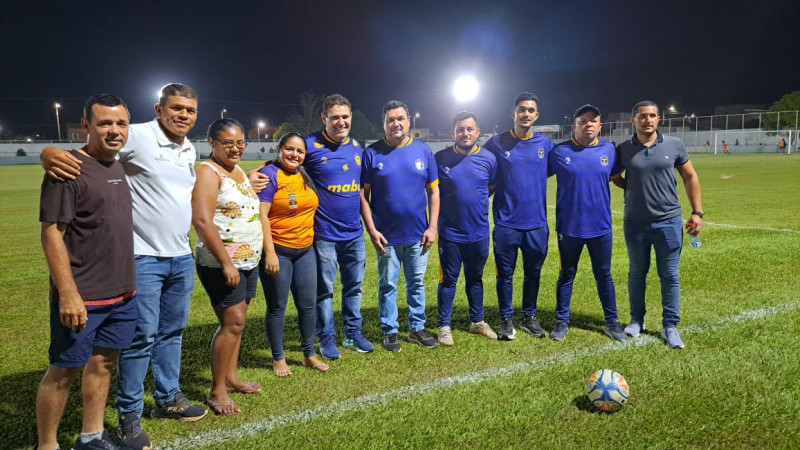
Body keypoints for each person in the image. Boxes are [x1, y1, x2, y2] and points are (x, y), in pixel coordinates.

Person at [40, 83, 207, 450]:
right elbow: (81, 158)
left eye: (190, 110)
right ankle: (128, 416)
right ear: (159, 109)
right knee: (136, 341)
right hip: (141, 258)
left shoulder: (187, 148)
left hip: (176, 257)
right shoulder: (138, 136)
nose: (183, 115)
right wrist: (48, 152)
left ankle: (165, 398)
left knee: (169, 333)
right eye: (176, 108)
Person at [36, 94, 136, 450]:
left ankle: (91, 436)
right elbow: (52, 234)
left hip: (122, 293)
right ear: (86, 126)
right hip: (83, 296)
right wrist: (68, 293)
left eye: (121, 123)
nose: (114, 130)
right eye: (105, 123)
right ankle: (47, 444)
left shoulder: (117, 164)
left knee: (104, 364)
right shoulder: (67, 170)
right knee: (63, 371)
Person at [612, 101, 703, 349]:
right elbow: (614, 176)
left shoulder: (674, 144)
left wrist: (697, 212)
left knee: (669, 275)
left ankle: (670, 326)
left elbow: (690, 176)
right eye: (642, 116)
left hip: (668, 222)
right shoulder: (624, 149)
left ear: (659, 119)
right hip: (635, 223)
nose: (648, 120)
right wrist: (631, 187)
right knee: (637, 272)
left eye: (652, 115)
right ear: (633, 120)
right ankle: (636, 320)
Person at [192, 118, 263, 416]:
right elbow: (202, 220)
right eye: (228, 143)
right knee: (231, 322)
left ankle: (231, 379)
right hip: (222, 263)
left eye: (240, 143)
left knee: (238, 323)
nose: (235, 148)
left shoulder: (238, 172)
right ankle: (217, 389)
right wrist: (225, 262)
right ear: (212, 143)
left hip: (248, 260)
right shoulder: (207, 172)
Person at [361, 100, 440, 352]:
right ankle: (390, 330)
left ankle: (417, 327)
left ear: (408, 121)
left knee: (416, 284)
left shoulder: (423, 151)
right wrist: (372, 230)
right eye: (390, 120)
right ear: (383, 123)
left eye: (400, 119)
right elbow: (362, 196)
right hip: (386, 237)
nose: (396, 124)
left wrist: (432, 227)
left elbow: (434, 192)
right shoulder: (372, 153)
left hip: (418, 235)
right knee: (388, 285)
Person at [546, 105, 626, 342]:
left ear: (600, 126)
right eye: (583, 121)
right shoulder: (559, 152)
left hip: (600, 227)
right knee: (566, 274)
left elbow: (617, 178)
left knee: (604, 275)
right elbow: (536, 174)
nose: (588, 124)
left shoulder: (609, 150)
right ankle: (562, 321)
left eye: (593, 121)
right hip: (569, 227)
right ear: (575, 126)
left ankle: (612, 321)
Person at [305, 94, 373, 358]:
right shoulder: (309, 145)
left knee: (354, 287)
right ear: (324, 118)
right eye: (335, 117)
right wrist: (256, 173)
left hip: (354, 233)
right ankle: (326, 338)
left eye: (345, 117)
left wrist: (370, 228)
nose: (341, 122)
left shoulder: (356, 146)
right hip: (324, 235)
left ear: (351, 117)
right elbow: (282, 163)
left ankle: (353, 334)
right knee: (325, 291)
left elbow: (361, 192)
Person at [483, 92, 554, 341]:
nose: (526, 114)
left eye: (530, 110)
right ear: (513, 113)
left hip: (537, 224)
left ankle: (529, 317)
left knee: (533, 273)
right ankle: (506, 319)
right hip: (506, 222)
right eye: (521, 109)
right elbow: (483, 173)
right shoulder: (496, 143)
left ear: (537, 115)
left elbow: (551, 171)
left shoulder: (545, 145)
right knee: (505, 274)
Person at [258, 132, 329, 376]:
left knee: (308, 305)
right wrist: (269, 253)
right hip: (279, 251)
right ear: (279, 148)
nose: (294, 154)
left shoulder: (304, 174)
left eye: (300, 151)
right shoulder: (270, 174)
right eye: (289, 149)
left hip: (305, 251)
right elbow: (261, 215)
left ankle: (309, 354)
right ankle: (278, 358)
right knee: (277, 307)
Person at [434, 111, 498, 346]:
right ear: (453, 133)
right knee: (448, 280)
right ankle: (444, 325)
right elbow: (433, 192)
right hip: (450, 233)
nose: (465, 133)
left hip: (478, 232)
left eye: (470, 129)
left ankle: (477, 321)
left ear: (477, 132)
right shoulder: (440, 158)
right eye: (460, 129)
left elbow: (490, 187)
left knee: (475, 278)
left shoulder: (489, 159)